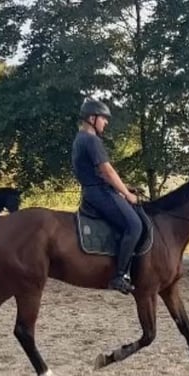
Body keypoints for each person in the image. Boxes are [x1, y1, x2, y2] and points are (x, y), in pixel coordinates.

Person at [72, 98, 141, 295]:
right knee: (134, 225)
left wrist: (124, 187)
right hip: (98, 192)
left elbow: (102, 174)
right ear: (92, 118)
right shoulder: (91, 140)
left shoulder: (80, 138)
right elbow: (107, 171)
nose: (106, 122)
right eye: (104, 118)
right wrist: (127, 195)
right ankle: (119, 275)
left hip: (93, 189)